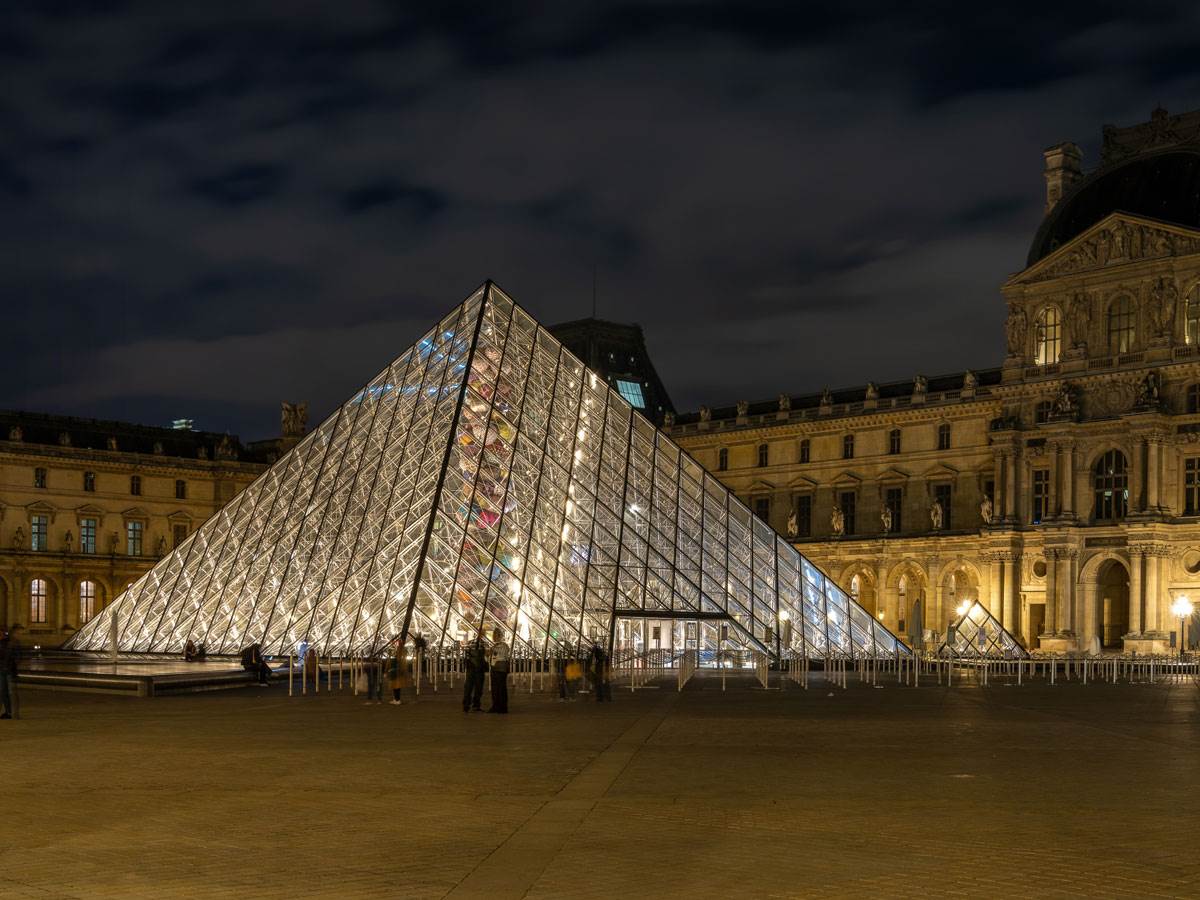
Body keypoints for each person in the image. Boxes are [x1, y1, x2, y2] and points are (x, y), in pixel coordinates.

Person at [1, 624, 23, 719]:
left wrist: (12, 665)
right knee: (3, 692)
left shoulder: (13, 643)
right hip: (2, 670)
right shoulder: (4, 643)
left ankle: (13, 712)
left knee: (11, 692)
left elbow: (18, 657)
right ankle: (8, 712)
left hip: (9, 671)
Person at [487, 628, 510, 714]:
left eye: (495, 635)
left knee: (500, 688)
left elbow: (501, 654)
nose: (494, 637)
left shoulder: (502, 646)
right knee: (496, 688)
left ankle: (501, 707)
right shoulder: (496, 646)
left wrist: (492, 651)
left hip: (499, 668)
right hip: (496, 668)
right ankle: (497, 706)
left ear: (499, 636)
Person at [462, 638, 486, 713]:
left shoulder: (470, 646)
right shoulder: (481, 647)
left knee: (469, 688)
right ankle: (475, 705)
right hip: (478, 669)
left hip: (471, 669)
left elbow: (466, 659)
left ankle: (466, 704)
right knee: (478, 688)